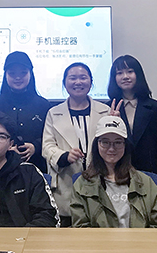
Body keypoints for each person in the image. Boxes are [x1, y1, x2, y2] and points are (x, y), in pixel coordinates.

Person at [107, 55, 157, 227]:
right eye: (119, 73)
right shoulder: (107, 109)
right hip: (120, 179)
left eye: (130, 71)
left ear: (138, 75)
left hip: (154, 178)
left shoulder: (155, 108)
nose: (125, 76)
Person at [42, 62, 109, 226]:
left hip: (100, 179)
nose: (78, 82)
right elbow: (47, 145)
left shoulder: (105, 111)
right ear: (64, 83)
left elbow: (114, 145)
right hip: (66, 181)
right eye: (72, 78)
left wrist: (114, 122)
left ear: (91, 81)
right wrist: (64, 156)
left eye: (83, 77)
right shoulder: (53, 113)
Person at [71, 115, 157, 228]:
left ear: (125, 145)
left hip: (139, 239)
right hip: (98, 240)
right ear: (97, 145)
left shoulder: (147, 183)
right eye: (105, 142)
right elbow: (81, 229)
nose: (111, 148)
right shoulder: (81, 184)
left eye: (118, 142)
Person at [0, 51, 50, 172]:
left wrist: (35, 147)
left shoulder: (43, 105)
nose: (18, 77)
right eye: (12, 73)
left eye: (23, 73)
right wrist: (5, 147)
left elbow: (51, 136)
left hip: (36, 168)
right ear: (5, 75)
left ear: (30, 74)